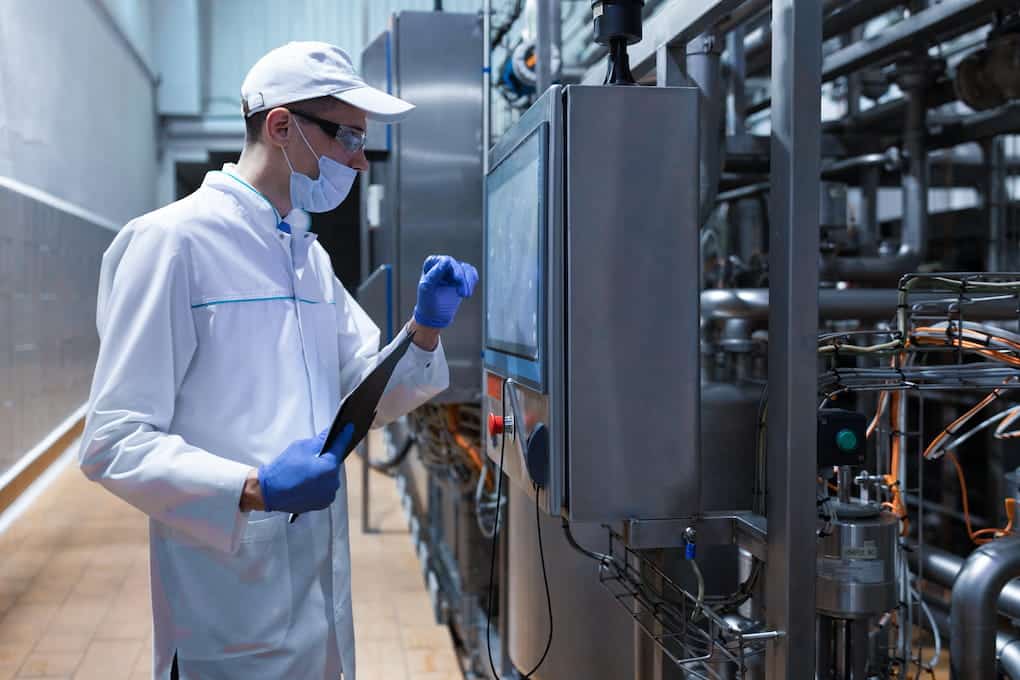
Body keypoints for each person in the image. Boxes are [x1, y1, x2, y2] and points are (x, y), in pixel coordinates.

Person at [78, 41, 478, 680]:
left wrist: (425, 331)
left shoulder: (306, 257)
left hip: (318, 610)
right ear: (282, 125)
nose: (359, 162)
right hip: (226, 613)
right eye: (347, 137)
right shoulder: (172, 244)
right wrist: (253, 487)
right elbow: (113, 440)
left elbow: (360, 390)